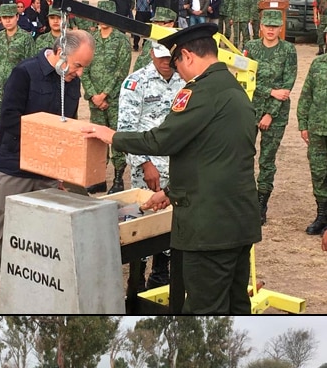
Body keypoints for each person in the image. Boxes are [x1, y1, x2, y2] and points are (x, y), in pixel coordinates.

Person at [83, 23, 261, 314]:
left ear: (187, 56)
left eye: (177, 65)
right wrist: (170, 192)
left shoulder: (201, 91)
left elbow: (162, 139)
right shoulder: (231, 88)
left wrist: (111, 136)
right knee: (236, 304)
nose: (178, 73)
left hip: (209, 228)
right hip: (238, 221)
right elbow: (211, 156)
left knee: (204, 309)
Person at [0, 30, 95, 313]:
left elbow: (69, 125)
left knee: (43, 243)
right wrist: (44, 139)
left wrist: (64, 171)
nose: (79, 73)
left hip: (49, 174)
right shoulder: (24, 74)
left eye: (84, 67)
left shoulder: (72, 82)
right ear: (60, 54)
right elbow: (8, 120)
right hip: (13, 170)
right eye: (77, 65)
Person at [118, 42, 185, 289]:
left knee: (171, 225)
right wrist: (144, 164)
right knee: (143, 222)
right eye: (161, 57)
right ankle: (136, 280)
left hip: (177, 167)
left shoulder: (185, 81)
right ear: (151, 54)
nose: (166, 62)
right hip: (147, 171)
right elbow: (127, 129)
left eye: (170, 57)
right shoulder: (136, 82)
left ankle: (160, 276)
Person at [242, 9, 296, 225]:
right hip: (250, 110)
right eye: (267, 26)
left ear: (281, 28)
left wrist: (270, 114)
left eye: (275, 27)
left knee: (267, 160)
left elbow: (287, 86)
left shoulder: (288, 50)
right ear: (261, 27)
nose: (271, 30)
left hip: (276, 114)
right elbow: (245, 78)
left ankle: (261, 205)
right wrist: (270, 91)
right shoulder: (251, 47)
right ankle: (243, 200)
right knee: (243, 156)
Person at [83, 1, 133, 194]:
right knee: (96, 140)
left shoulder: (121, 41)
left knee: (115, 139)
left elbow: (122, 71)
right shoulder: (90, 40)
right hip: (94, 100)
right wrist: (94, 95)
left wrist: (105, 94)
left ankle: (118, 179)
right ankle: (98, 178)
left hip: (113, 100)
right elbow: (83, 70)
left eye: (107, 15)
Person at [0, 4, 36, 124]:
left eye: (10, 17)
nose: (7, 21)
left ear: (17, 17)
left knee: (16, 125)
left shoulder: (26, 38)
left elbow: (32, 66)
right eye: (4, 17)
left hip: (18, 90)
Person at [299, 46, 327, 237]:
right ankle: (322, 215)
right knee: (318, 172)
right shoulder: (318, 63)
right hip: (317, 128)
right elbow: (306, 94)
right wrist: (303, 123)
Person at [133, 7, 179, 72]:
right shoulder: (150, 42)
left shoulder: (179, 42)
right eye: (155, 23)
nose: (156, 26)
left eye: (160, 23)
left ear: (171, 24)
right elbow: (140, 63)